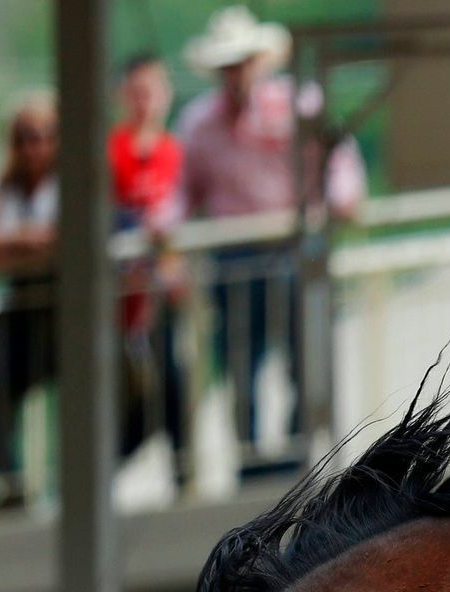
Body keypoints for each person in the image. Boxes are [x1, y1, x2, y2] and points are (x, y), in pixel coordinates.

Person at [177, 6, 367, 454]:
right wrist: (165, 236)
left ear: (258, 63)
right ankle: (250, 458)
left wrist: (339, 199)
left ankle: (297, 451)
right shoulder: (198, 122)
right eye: (227, 66)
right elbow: (183, 192)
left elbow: (338, 159)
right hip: (234, 257)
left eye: (241, 63)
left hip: (294, 248)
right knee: (241, 364)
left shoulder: (298, 103)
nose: (235, 75)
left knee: (305, 357)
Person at [0, 92, 59, 510]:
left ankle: (73, 486)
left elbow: (64, 238)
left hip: (67, 308)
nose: (32, 147)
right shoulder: (4, 182)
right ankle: (12, 481)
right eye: (23, 137)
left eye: (41, 135)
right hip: (21, 306)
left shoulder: (72, 177)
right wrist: (22, 237)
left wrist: (18, 243)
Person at [109, 52, 190, 471]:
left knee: (174, 381)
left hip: (164, 293)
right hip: (123, 299)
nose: (145, 102)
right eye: (137, 93)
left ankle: (182, 470)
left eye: (152, 92)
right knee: (130, 396)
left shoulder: (176, 152)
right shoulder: (111, 153)